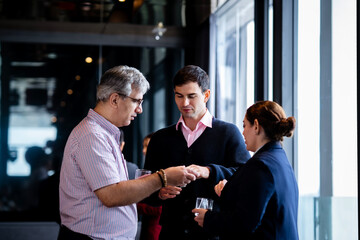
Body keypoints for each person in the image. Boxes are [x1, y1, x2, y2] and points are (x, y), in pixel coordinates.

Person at [58, 65, 197, 240]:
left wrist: (156, 186)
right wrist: (163, 177)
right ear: (115, 99)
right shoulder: (92, 135)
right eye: (137, 101)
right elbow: (111, 195)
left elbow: (116, 189)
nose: (140, 109)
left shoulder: (105, 133)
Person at [144, 65, 250, 240]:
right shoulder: (160, 138)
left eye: (191, 96)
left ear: (206, 95)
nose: (184, 103)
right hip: (171, 233)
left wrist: (209, 171)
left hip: (213, 233)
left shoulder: (228, 133)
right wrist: (159, 191)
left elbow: (246, 176)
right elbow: (146, 184)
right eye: (179, 96)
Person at [192, 100, 299, 240]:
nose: (242, 132)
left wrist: (208, 219)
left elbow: (244, 224)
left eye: (244, 125)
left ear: (256, 126)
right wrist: (229, 191)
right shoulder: (280, 159)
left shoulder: (260, 165)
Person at [137, 132, 163, 240]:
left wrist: (133, 204)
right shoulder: (147, 170)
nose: (143, 151)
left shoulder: (165, 173)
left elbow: (162, 208)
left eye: (147, 147)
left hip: (156, 231)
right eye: (143, 146)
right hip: (146, 227)